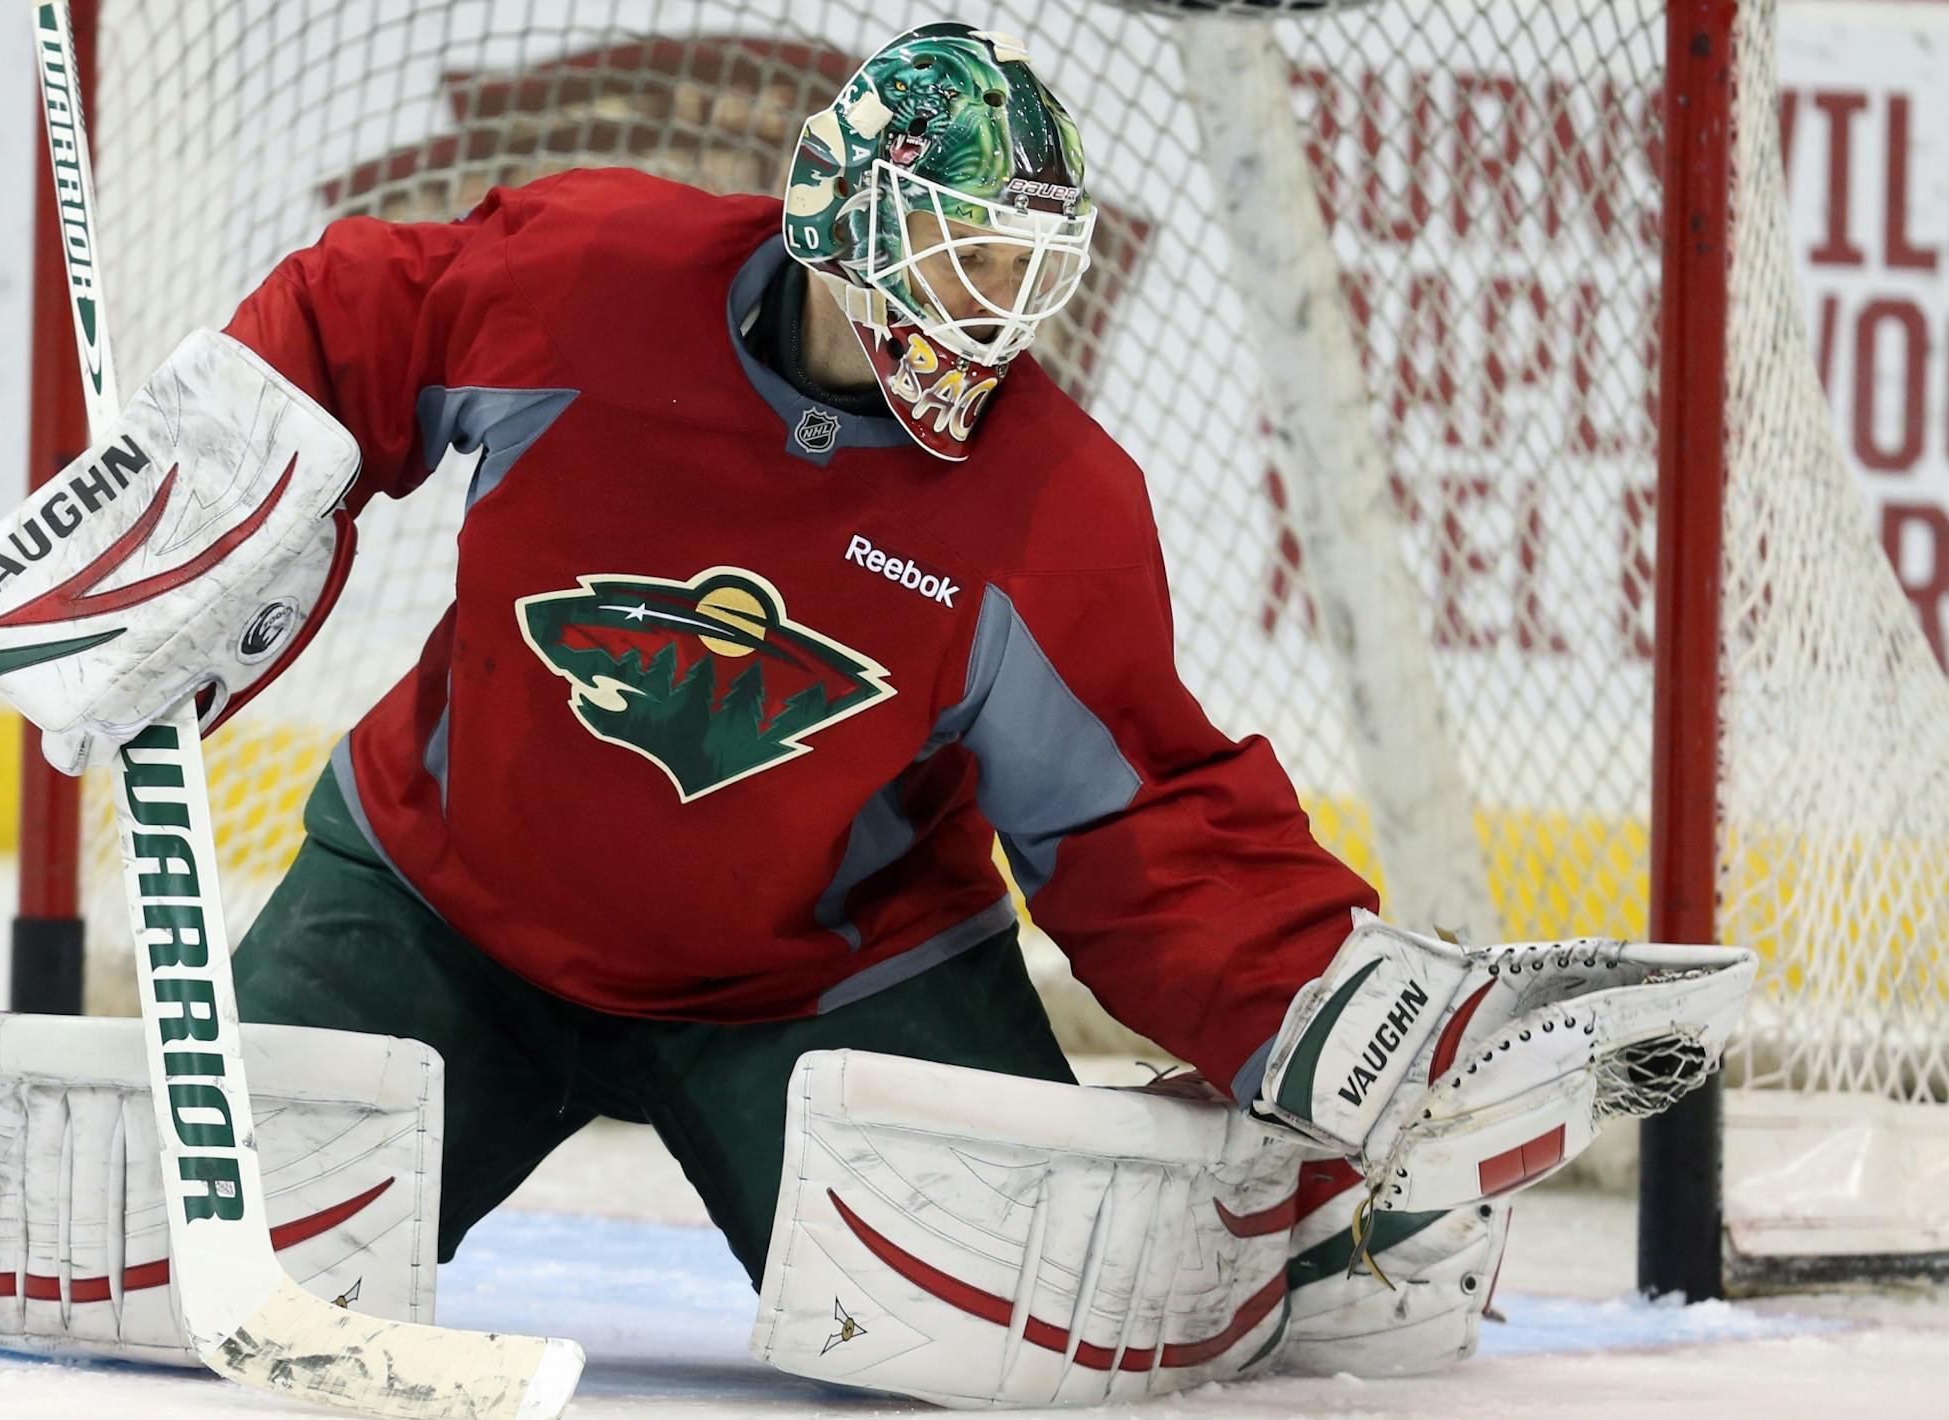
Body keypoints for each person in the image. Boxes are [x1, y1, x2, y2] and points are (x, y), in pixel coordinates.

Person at [223, 19, 1375, 1293]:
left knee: (1038, 1321)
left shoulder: (1054, 501)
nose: (998, 305)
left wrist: (1322, 1004)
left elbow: (1137, 823)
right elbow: (360, 324)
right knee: (197, 1266)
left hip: (824, 986)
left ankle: (1321, 1218)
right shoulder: (588, 282)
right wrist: (212, 485)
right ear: (847, 215)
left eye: (1023, 266)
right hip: (438, 915)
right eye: (966, 251)